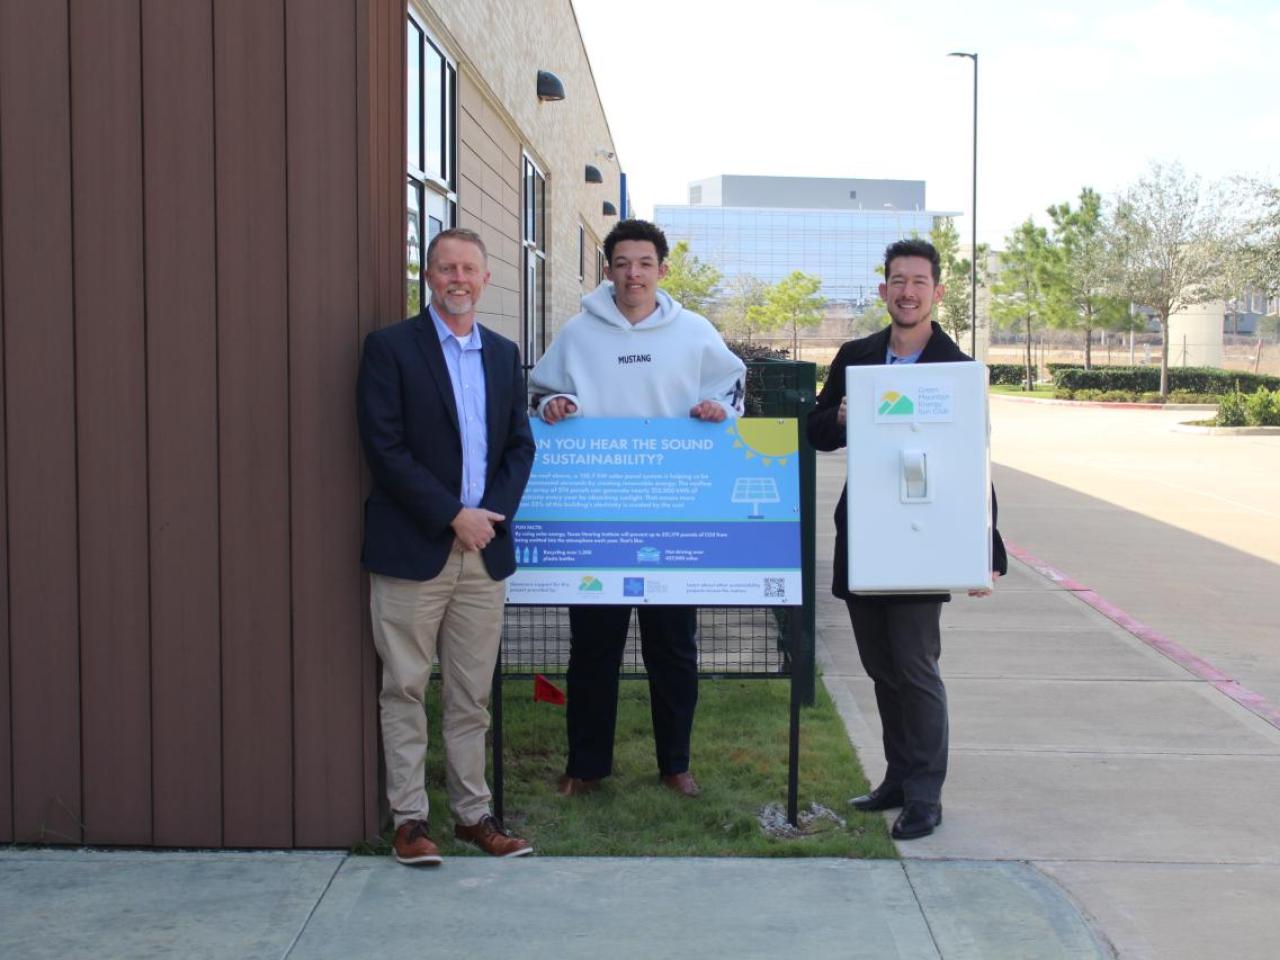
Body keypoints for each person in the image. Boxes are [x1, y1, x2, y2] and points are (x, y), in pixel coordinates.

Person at [528, 218, 746, 799]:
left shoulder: (695, 332)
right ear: (608, 270)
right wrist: (555, 404)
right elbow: (543, 392)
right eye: (622, 263)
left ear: (662, 270)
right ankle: (586, 765)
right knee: (593, 650)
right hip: (597, 517)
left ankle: (675, 762)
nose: (633, 274)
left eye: (645, 263)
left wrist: (717, 410)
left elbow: (732, 391)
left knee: (672, 649)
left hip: (673, 515)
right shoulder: (577, 334)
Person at [806, 238, 1007, 840]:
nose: (908, 291)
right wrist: (838, 418)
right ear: (883, 290)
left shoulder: (956, 365)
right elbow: (816, 431)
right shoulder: (856, 355)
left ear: (937, 291)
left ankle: (925, 795)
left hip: (924, 536)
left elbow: (976, 457)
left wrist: (985, 546)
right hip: (866, 533)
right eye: (898, 280)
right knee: (880, 668)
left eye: (919, 281)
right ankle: (896, 779)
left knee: (916, 667)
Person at [357, 227, 535, 865]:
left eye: (469, 269)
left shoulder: (503, 353)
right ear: (427, 277)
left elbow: (519, 446)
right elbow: (385, 448)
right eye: (445, 268)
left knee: (472, 693)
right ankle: (409, 820)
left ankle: (472, 815)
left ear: (487, 279)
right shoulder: (389, 349)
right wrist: (452, 515)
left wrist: (488, 518)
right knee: (404, 687)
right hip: (414, 550)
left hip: (482, 554)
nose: (458, 279)